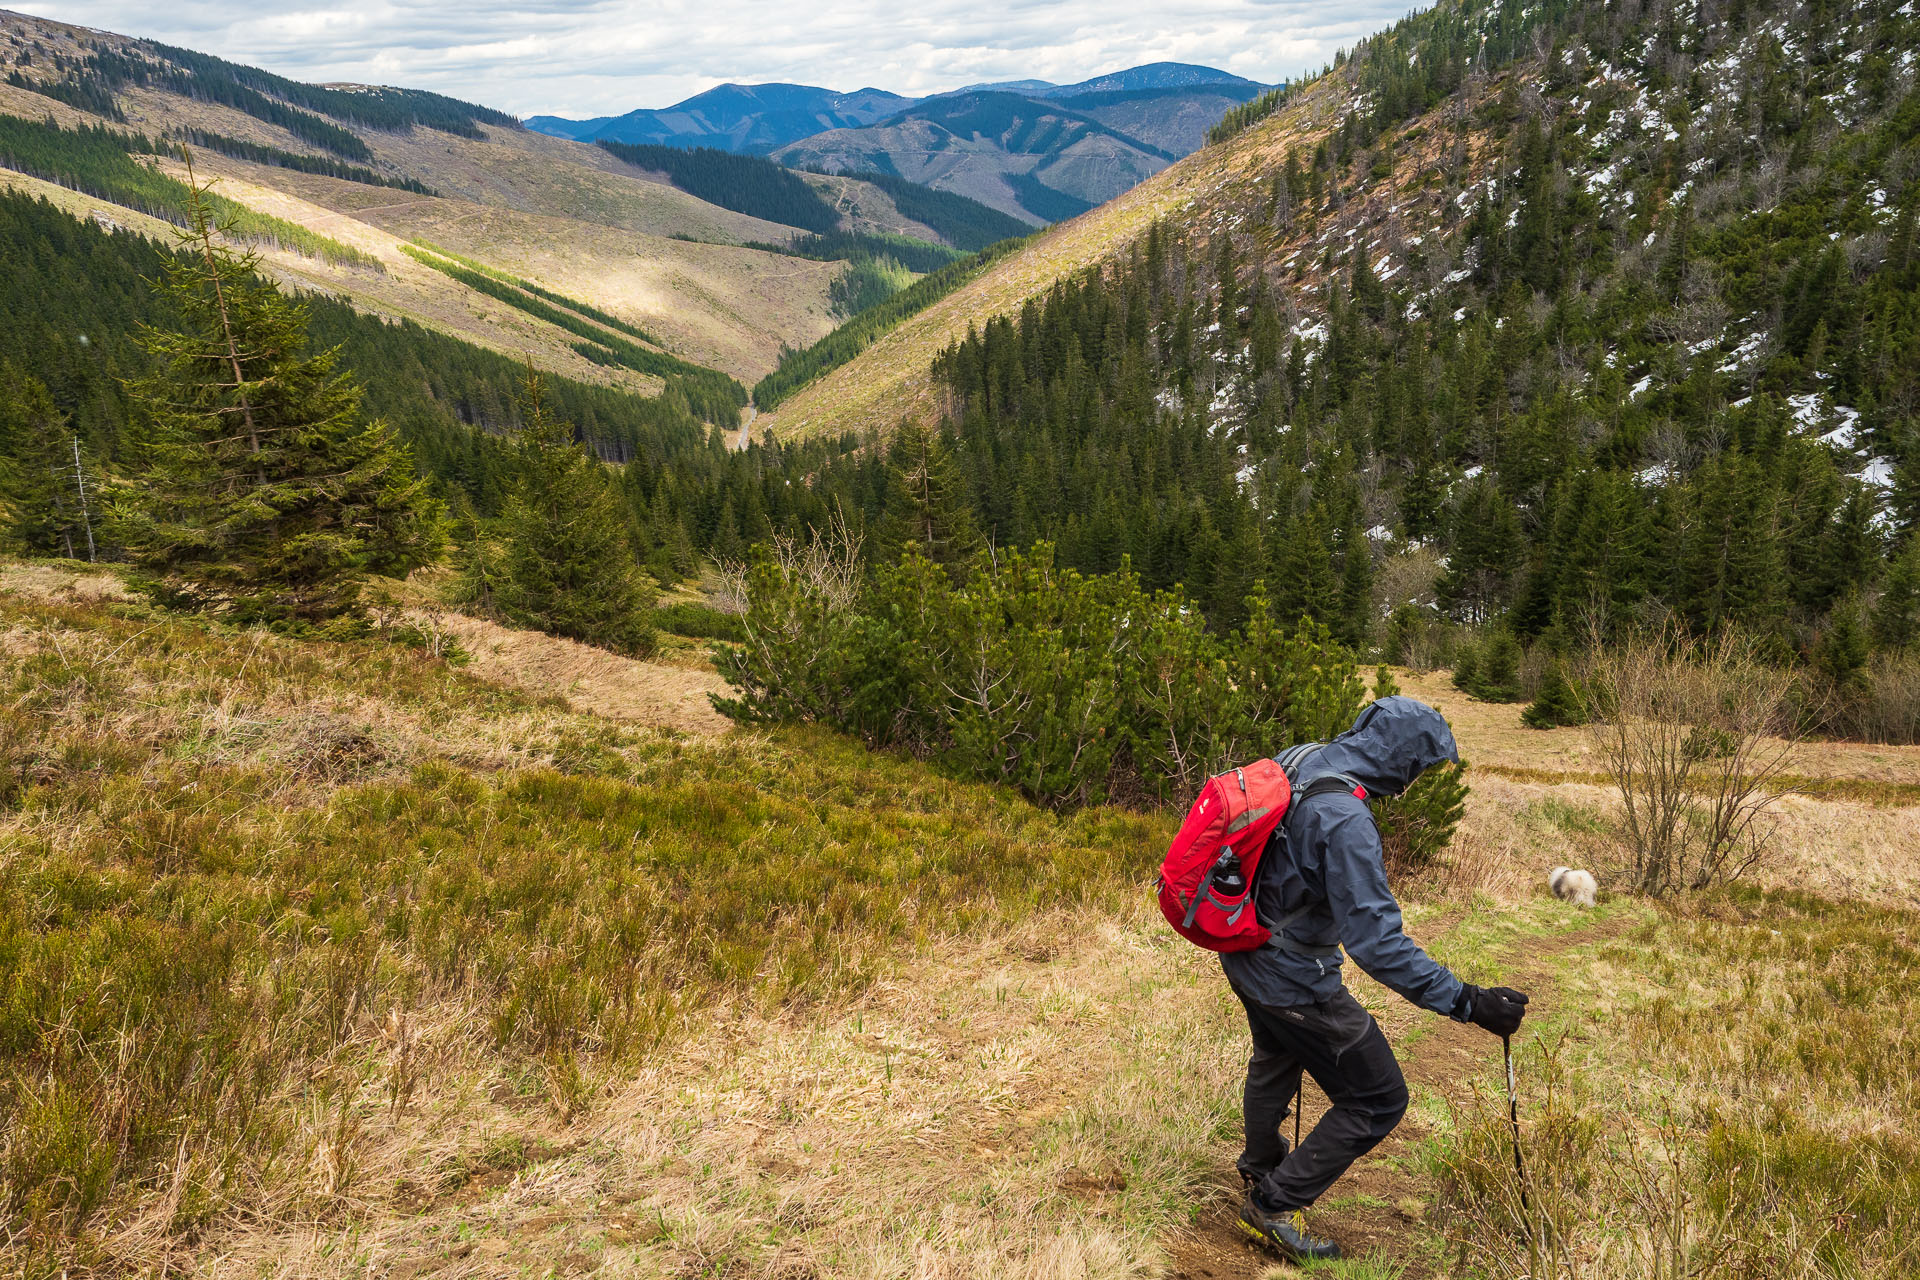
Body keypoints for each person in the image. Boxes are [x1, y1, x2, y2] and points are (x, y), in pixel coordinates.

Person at [1227, 696, 1529, 1262]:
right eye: (1419, 769)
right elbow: (1378, 945)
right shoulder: (1345, 819)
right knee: (1379, 1097)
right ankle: (1270, 1205)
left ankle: (1259, 1172)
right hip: (1294, 977)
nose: (1416, 782)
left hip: (1245, 947)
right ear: (1402, 761)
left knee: (1275, 1058)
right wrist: (1468, 1002)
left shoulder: (1305, 757)